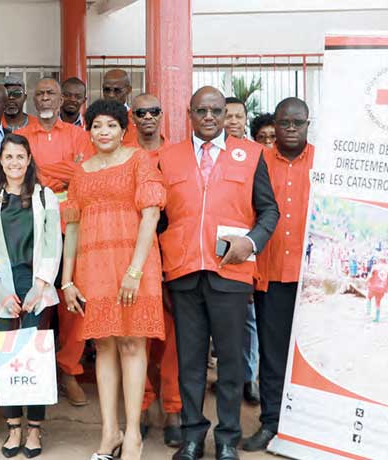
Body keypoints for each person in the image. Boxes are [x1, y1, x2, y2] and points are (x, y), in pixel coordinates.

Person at [159, 86, 279, 460]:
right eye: (201, 111)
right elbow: (158, 217)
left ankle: (228, 437)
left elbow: (269, 211)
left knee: (230, 361)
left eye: (215, 110)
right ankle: (194, 436)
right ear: (189, 114)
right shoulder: (168, 157)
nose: (209, 117)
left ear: (225, 114)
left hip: (230, 272)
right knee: (190, 363)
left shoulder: (252, 155)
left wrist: (253, 242)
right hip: (183, 273)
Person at [61, 99, 166, 460]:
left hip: (134, 265)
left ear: (124, 129)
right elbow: (71, 227)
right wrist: (66, 279)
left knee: (133, 345)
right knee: (103, 345)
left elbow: (151, 216)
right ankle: (109, 433)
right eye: (96, 126)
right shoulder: (81, 171)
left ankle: (133, 434)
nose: (103, 132)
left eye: (110, 125)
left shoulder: (140, 160)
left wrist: (134, 272)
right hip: (93, 267)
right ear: (88, 131)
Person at [0, 134, 61, 458]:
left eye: (19, 157)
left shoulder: (44, 197)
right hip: (0, 287)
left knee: (34, 359)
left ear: (29, 160)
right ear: (1, 161)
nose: (14, 163)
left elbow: (53, 244)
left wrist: (40, 286)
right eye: (8, 157)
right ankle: (13, 428)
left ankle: (35, 430)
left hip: (36, 285)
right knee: (9, 359)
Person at [242, 97, 314, 452]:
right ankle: (272, 423)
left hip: (313, 278)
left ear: (307, 124)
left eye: (297, 122)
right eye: (284, 122)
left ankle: (309, 426)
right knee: (273, 354)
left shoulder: (323, 162)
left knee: (311, 356)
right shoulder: (258, 161)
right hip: (270, 272)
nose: (289, 128)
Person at [14, 77, 90, 406]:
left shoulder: (78, 135)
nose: (45, 98)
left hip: (70, 228)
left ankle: (69, 370)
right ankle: (34, 373)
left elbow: (83, 174)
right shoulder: (19, 136)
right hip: (31, 230)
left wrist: (41, 171)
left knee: (72, 304)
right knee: (35, 302)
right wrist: (60, 171)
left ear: (62, 101)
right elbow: (18, 175)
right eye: (40, 93)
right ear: (34, 99)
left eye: (51, 94)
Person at [128, 92, 183, 448]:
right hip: (134, 255)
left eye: (154, 112)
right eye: (141, 112)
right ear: (132, 118)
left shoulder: (177, 155)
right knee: (137, 334)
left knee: (175, 338)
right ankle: (145, 405)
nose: (148, 117)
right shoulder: (124, 154)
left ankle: (174, 408)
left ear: (162, 116)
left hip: (173, 254)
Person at [224, 98, 261, 408]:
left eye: (239, 116)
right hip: (213, 249)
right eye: (228, 115)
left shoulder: (255, 154)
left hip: (249, 246)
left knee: (248, 319)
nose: (233, 121)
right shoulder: (212, 153)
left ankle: (249, 377)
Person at [102, 69, 138, 146]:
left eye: (117, 90)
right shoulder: (92, 119)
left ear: (129, 90)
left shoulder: (137, 119)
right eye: (107, 90)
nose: (111, 95)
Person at [368, 257, 388, 323]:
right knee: (378, 302)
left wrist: (367, 282)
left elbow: (370, 276)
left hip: (374, 287)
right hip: (382, 288)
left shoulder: (375, 266)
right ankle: (377, 318)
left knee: (369, 297)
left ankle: (368, 311)